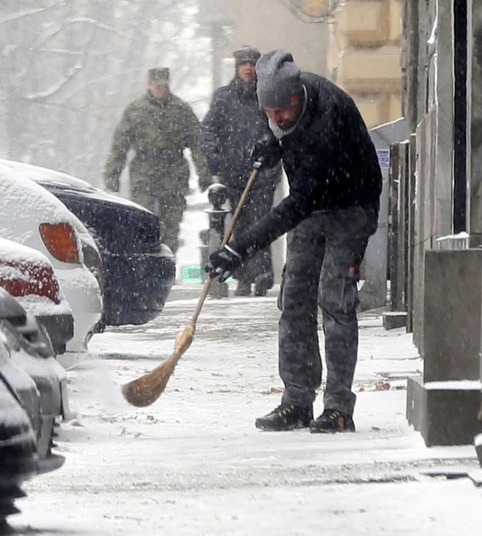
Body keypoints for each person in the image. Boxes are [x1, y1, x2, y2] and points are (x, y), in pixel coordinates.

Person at [206, 50, 382, 434]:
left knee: (334, 300)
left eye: (282, 112)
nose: (276, 118)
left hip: (351, 206)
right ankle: (297, 401)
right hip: (312, 203)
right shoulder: (278, 106)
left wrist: (240, 248)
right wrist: (272, 142)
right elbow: (280, 132)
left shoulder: (328, 117)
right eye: (268, 113)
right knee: (294, 298)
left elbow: (299, 203)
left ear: (297, 97)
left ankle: (338, 408)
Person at [200, 46, 280, 297]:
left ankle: (262, 273)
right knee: (239, 224)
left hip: (263, 173)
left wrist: (271, 152)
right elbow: (208, 129)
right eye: (243, 64)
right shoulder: (224, 98)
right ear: (237, 68)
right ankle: (244, 276)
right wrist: (213, 155)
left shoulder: (266, 96)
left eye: (252, 64)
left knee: (261, 223)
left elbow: (278, 126)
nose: (248, 68)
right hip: (233, 174)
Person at [104, 67, 212, 252]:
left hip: (173, 174)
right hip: (144, 174)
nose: (161, 89)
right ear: (149, 85)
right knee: (142, 221)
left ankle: (166, 260)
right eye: (157, 85)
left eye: (163, 85)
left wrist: (205, 175)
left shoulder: (181, 110)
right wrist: (112, 175)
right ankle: (144, 260)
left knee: (171, 226)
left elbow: (197, 144)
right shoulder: (136, 110)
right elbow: (120, 145)